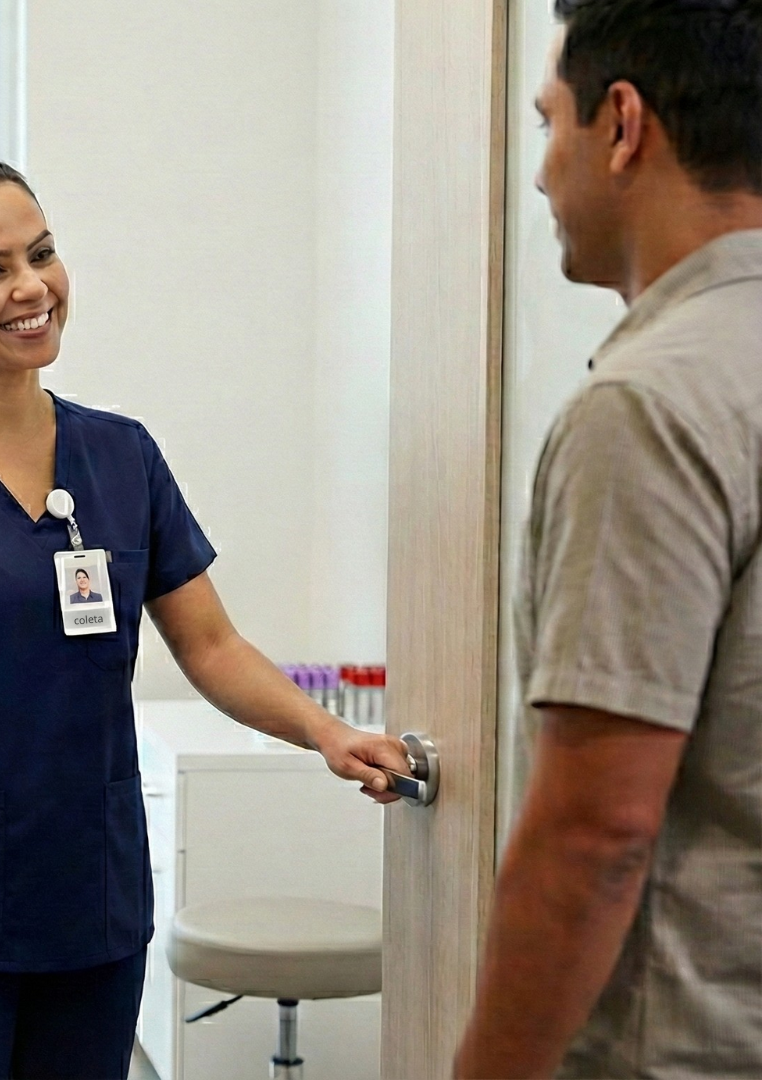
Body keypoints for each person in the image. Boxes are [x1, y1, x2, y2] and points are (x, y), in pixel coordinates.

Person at [0, 155, 410, 1080]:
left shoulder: (121, 455)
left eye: (41, 254)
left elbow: (211, 645)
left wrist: (325, 734)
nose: (32, 287)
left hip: (91, 905)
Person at [454, 2, 762, 1076]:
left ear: (622, 125)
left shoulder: (650, 405)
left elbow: (596, 832)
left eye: (550, 124)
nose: (540, 173)